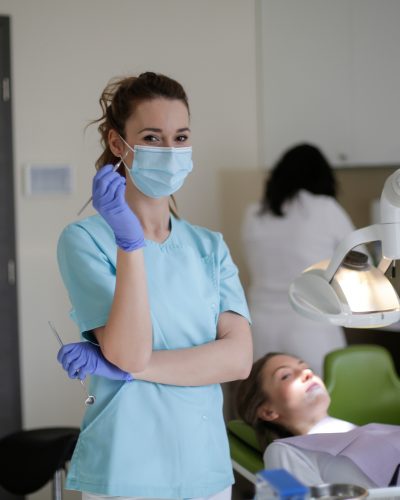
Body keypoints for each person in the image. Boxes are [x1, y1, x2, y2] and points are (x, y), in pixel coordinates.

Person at [56, 71, 253, 500]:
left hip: (206, 469)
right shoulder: (85, 241)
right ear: (117, 144)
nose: (170, 150)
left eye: (180, 138)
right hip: (126, 469)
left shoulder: (209, 246)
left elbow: (238, 360)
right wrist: (129, 243)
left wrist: (124, 369)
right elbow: (130, 351)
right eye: (152, 136)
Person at [241, 144, 356, 375]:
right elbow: (360, 262)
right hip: (310, 327)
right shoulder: (325, 209)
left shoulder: (253, 214)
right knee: (320, 402)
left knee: (267, 403)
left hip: (260, 328)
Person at [236, 353, 400, 488]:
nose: (307, 374)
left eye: (306, 368)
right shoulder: (282, 451)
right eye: (286, 375)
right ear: (268, 411)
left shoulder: (368, 432)